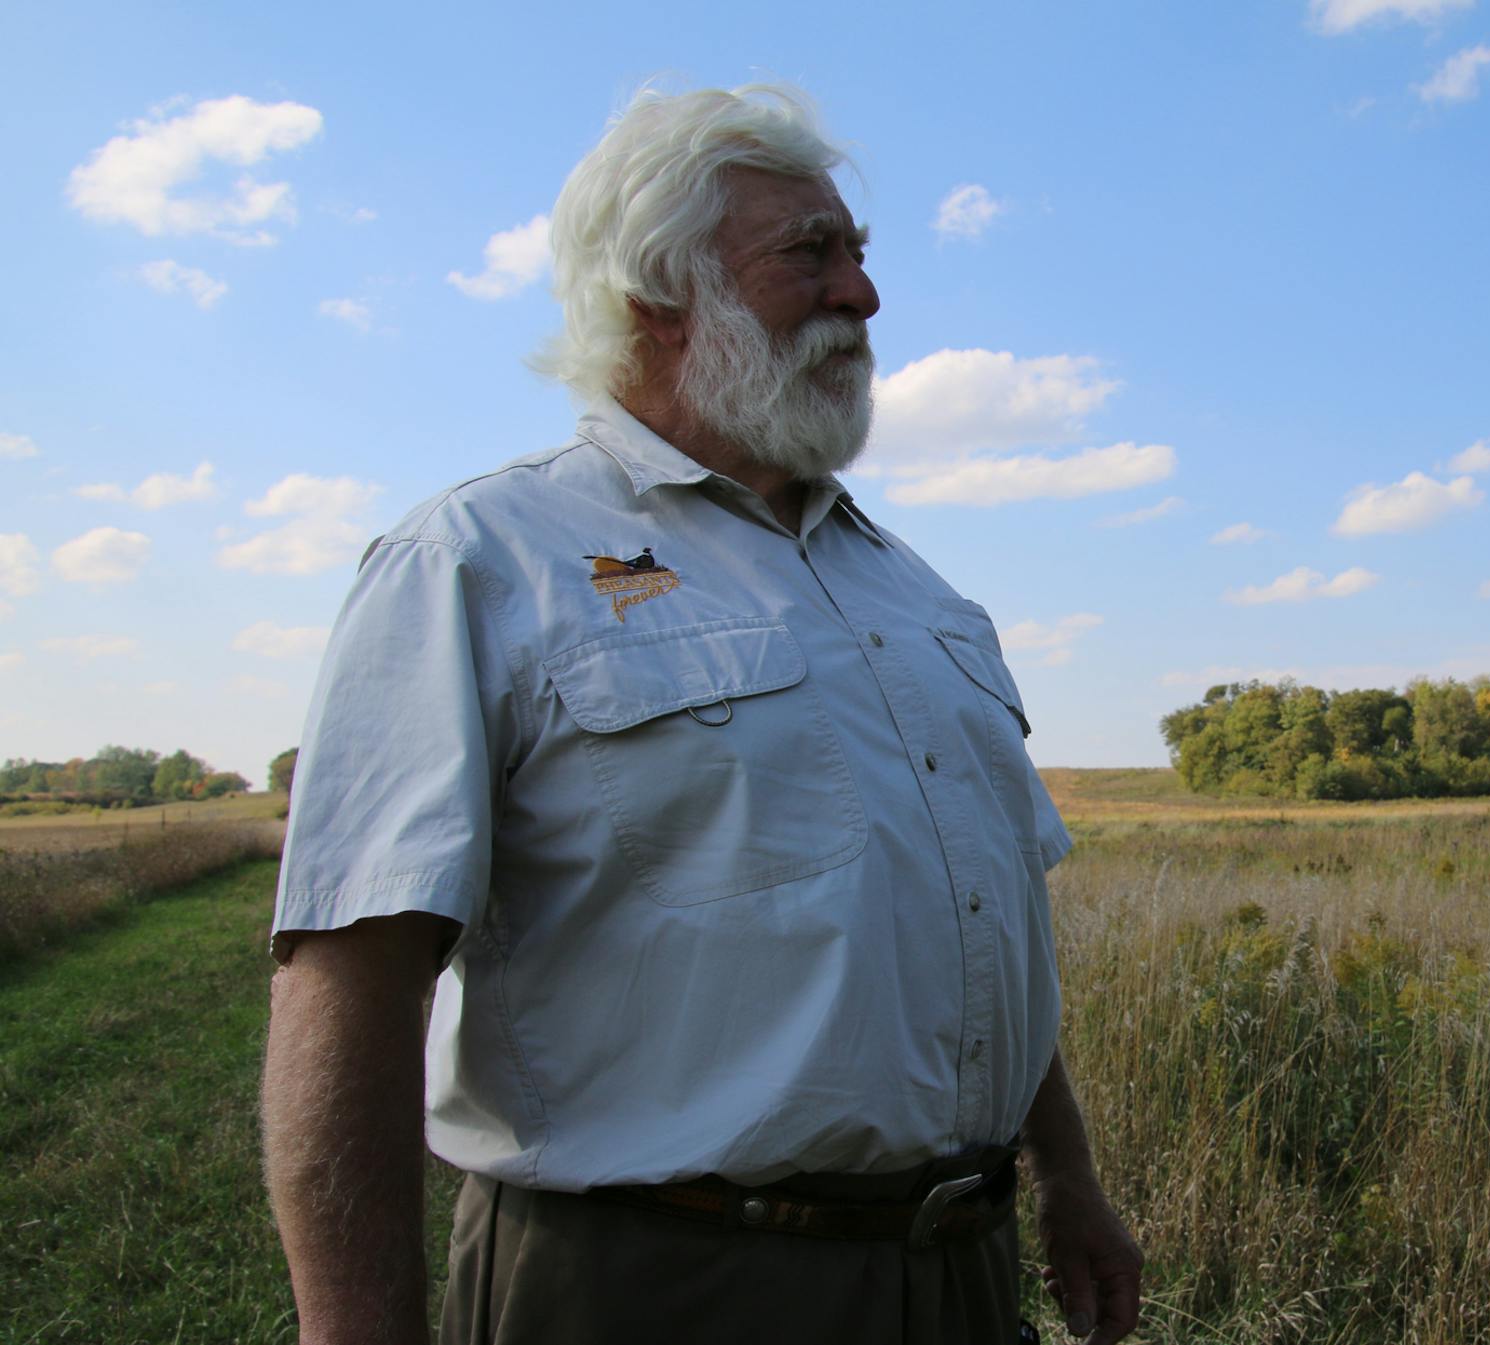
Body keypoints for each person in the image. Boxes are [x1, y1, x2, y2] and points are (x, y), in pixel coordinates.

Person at [259, 84, 1142, 1345]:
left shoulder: (916, 591)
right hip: (653, 1284)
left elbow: (978, 911)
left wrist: (1068, 1181)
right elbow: (348, 983)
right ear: (658, 299)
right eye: (809, 256)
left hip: (957, 1275)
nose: (863, 297)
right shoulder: (480, 558)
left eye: (859, 255)